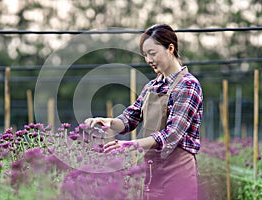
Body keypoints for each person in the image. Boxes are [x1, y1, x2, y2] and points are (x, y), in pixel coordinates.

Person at [85, 24, 203, 200]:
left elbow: (172, 135)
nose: (148, 59)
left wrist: (130, 145)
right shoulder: (152, 86)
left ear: (170, 48)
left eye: (152, 53)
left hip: (178, 174)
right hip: (152, 172)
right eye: (145, 55)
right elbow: (130, 117)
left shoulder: (188, 85)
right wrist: (110, 121)